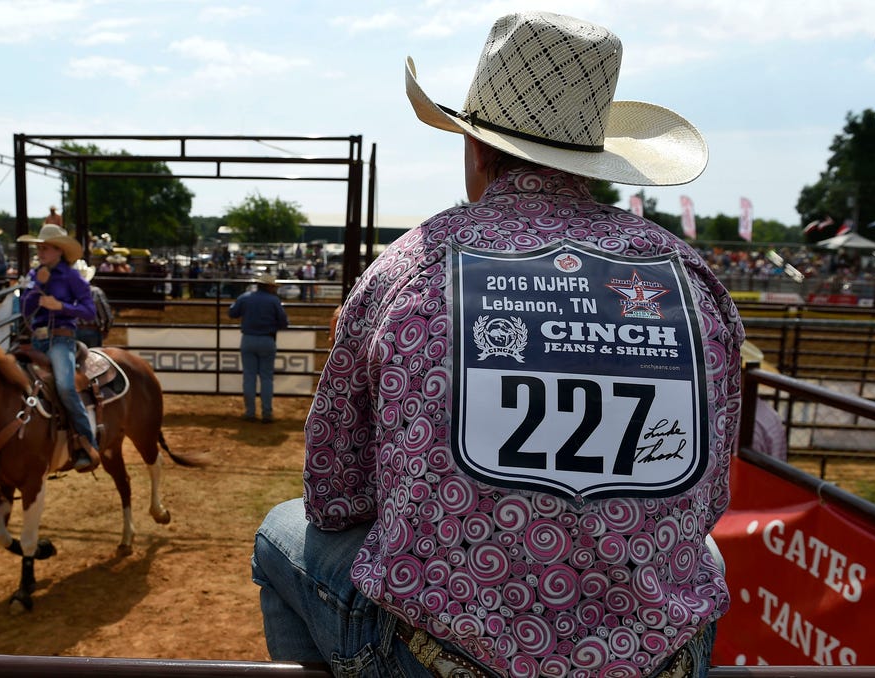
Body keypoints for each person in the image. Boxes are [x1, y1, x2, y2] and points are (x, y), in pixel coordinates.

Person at [252, 12, 738, 678]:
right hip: (655, 658)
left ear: (476, 150)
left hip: (445, 652)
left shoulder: (411, 265)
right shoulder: (688, 275)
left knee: (278, 533)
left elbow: (335, 492)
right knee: (705, 558)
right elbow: (706, 498)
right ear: (593, 160)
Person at [18, 224, 99, 473]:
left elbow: (90, 311)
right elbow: (24, 310)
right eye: (39, 248)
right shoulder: (35, 275)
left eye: (45, 248)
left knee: (65, 386)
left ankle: (87, 442)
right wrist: (36, 289)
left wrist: (61, 307)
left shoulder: (72, 277)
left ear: (58, 251)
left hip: (61, 340)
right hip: (37, 340)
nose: (40, 252)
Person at [228, 274, 288, 423]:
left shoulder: (245, 297)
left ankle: (250, 412)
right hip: (267, 339)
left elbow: (232, 313)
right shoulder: (274, 301)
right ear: (268, 286)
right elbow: (283, 322)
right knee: (266, 378)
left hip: (248, 339)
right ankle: (267, 413)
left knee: (249, 377)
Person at [72, 260, 113, 348]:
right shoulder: (96, 292)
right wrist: (106, 329)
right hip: (92, 331)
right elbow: (107, 316)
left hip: (71, 331)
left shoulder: (67, 292)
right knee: (93, 357)